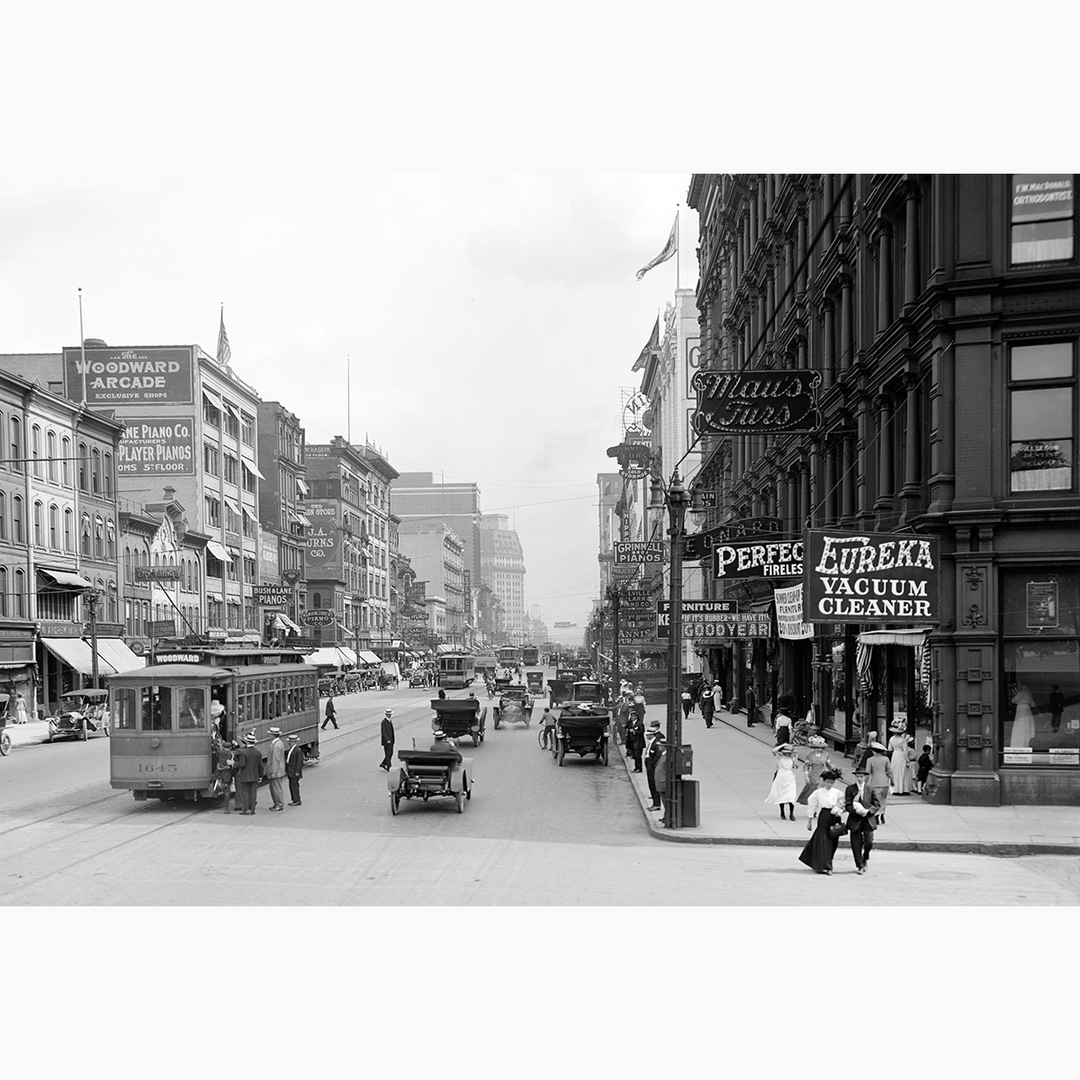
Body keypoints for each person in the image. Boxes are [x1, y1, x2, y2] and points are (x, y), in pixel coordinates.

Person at [797, 767, 845, 874]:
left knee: (833, 840)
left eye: (832, 782)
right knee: (824, 839)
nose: (829, 784)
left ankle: (827, 861)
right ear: (823, 781)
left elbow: (844, 804)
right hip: (824, 815)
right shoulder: (818, 793)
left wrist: (840, 809)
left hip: (835, 816)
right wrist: (810, 819)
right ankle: (827, 866)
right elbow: (812, 804)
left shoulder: (838, 793)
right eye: (827, 782)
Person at [844, 764, 881, 873]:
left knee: (868, 842)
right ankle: (859, 865)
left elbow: (877, 804)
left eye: (861, 776)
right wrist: (856, 811)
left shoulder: (870, 788)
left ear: (865, 777)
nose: (859, 779)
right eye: (858, 776)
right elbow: (848, 805)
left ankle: (865, 858)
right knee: (856, 844)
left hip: (868, 820)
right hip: (855, 819)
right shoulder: (850, 789)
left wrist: (869, 811)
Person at [797, 735, 835, 805]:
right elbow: (806, 766)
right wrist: (806, 776)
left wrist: (834, 772)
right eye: (817, 747)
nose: (819, 749)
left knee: (821, 792)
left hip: (822, 776)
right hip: (813, 776)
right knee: (812, 792)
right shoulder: (810, 755)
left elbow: (829, 765)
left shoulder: (826, 754)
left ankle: (820, 805)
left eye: (821, 748)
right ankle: (813, 807)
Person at [766, 743, 799, 820]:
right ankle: (782, 812)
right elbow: (774, 751)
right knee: (781, 794)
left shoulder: (792, 758)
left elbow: (796, 766)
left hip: (790, 776)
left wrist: (795, 761)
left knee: (792, 795)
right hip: (781, 775)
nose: (788, 754)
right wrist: (783, 745)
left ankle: (791, 813)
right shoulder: (780, 757)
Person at [236, 732, 264, 815]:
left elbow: (242, 764)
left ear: (247, 742)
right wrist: (261, 776)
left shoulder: (243, 752)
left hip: (245, 775)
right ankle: (252, 810)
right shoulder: (258, 752)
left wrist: (233, 764)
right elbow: (260, 766)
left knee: (245, 792)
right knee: (253, 792)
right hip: (254, 775)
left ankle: (246, 809)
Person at [866, 740, 893, 824]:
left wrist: (865, 783)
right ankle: (882, 813)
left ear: (873, 751)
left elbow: (867, 773)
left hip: (875, 782)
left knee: (876, 800)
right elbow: (890, 771)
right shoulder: (886, 759)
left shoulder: (870, 760)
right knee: (883, 799)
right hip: (885, 782)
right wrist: (892, 780)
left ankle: (877, 814)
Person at [266, 727, 286, 811]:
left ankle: (279, 804)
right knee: (276, 787)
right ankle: (277, 803)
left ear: (273, 735)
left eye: (270, 734)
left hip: (276, 771)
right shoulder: (279, 743)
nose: (269, 735)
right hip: (279, 770)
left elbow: (275, 760)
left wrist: (273, 772)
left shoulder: (276, 746)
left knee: (276, 788)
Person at [645, 730, 666, 811]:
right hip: (651, 767)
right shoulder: (652, 742)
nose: (646, 736)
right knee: (652, 785)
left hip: (653, 768)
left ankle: (656, 803)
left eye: (648, 735)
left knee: (654, 786)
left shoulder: (655, 744)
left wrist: (651, 764)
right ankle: (655, 802)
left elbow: (657, 756)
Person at [888, 725, 912, 795]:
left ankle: (895, 789)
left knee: (895, 772)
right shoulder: (903, 740)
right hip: (901, 755)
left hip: (895, 755)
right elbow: (905, 751)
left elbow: (889, 749)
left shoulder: (891, 739)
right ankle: (903, 789)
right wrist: (907, 760)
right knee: (903, 772)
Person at [285, 735, 304, 805]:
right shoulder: (291, 749)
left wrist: (297, 772)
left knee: (294, 786)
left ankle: (297, 800)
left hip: (294, 771)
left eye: (290, 741)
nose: (289, 743)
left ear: (294, 742)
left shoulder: (298, 750)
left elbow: (299, 762)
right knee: (292, 786)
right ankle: (294, 799)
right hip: (290, 771)